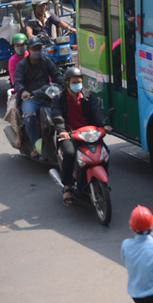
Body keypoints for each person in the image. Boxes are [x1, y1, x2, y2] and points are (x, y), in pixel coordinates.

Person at [51, 67, 111, 205]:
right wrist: (62, 130)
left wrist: (103, 126)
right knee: (69, 153)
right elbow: (57, 116)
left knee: (105, 153)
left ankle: (103, 182)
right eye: (74, 82)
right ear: (67, 83)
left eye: (79, 82)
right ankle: (68, 186)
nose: (77, 85)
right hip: (70, 135)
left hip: (89, 133)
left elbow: (96, 112)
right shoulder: (59, 99)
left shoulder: (88, 96)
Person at [13, 37, 65, 157]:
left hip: (47, 93)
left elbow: (57, 75)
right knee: (29, 116)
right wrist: (23, 91)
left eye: (39, 47)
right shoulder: (22, 65)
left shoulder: (46, 60)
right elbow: (18, 82)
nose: (37, 50)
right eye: (34, 48)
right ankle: (36, 145)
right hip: (30, 97)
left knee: (63, 110)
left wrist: (67, 83)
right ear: (29, 49)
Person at [5, 33, 29, 149]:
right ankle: (19, 136)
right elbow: (15, 80)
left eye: (23, 45)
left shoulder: (33, 55)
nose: (20, 47)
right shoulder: (13, 60)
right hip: (21, 90)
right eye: (17, 45)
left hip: (37, 89)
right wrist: (23, 90)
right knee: (14, 109)